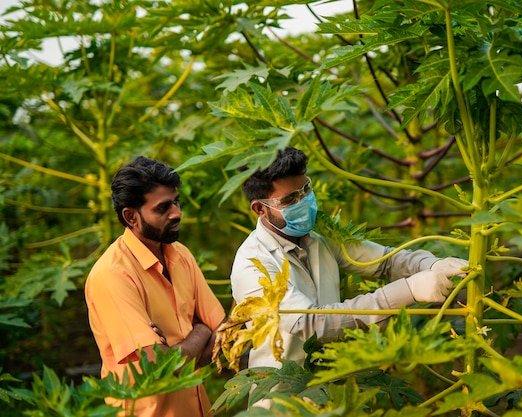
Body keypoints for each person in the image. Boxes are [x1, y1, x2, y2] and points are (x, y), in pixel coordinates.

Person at [230, 146, 468, 370]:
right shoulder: (252, 264)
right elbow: (312, 324)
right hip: (284, 402)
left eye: (306, 189)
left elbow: (384, 261)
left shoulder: (320, 237)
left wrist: (431, 264)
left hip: (332, 388)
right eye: (290, 200)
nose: (304, 201)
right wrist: (409, 290)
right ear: (260, 209)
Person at [85, 156, 226, 417]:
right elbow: (161, 368)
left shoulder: (180, 255)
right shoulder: (112, 275)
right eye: (163, 208)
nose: (177, 213)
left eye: (176, 202)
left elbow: (225, 336)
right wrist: (201, 330)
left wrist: (182, 348)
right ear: (131, 216)